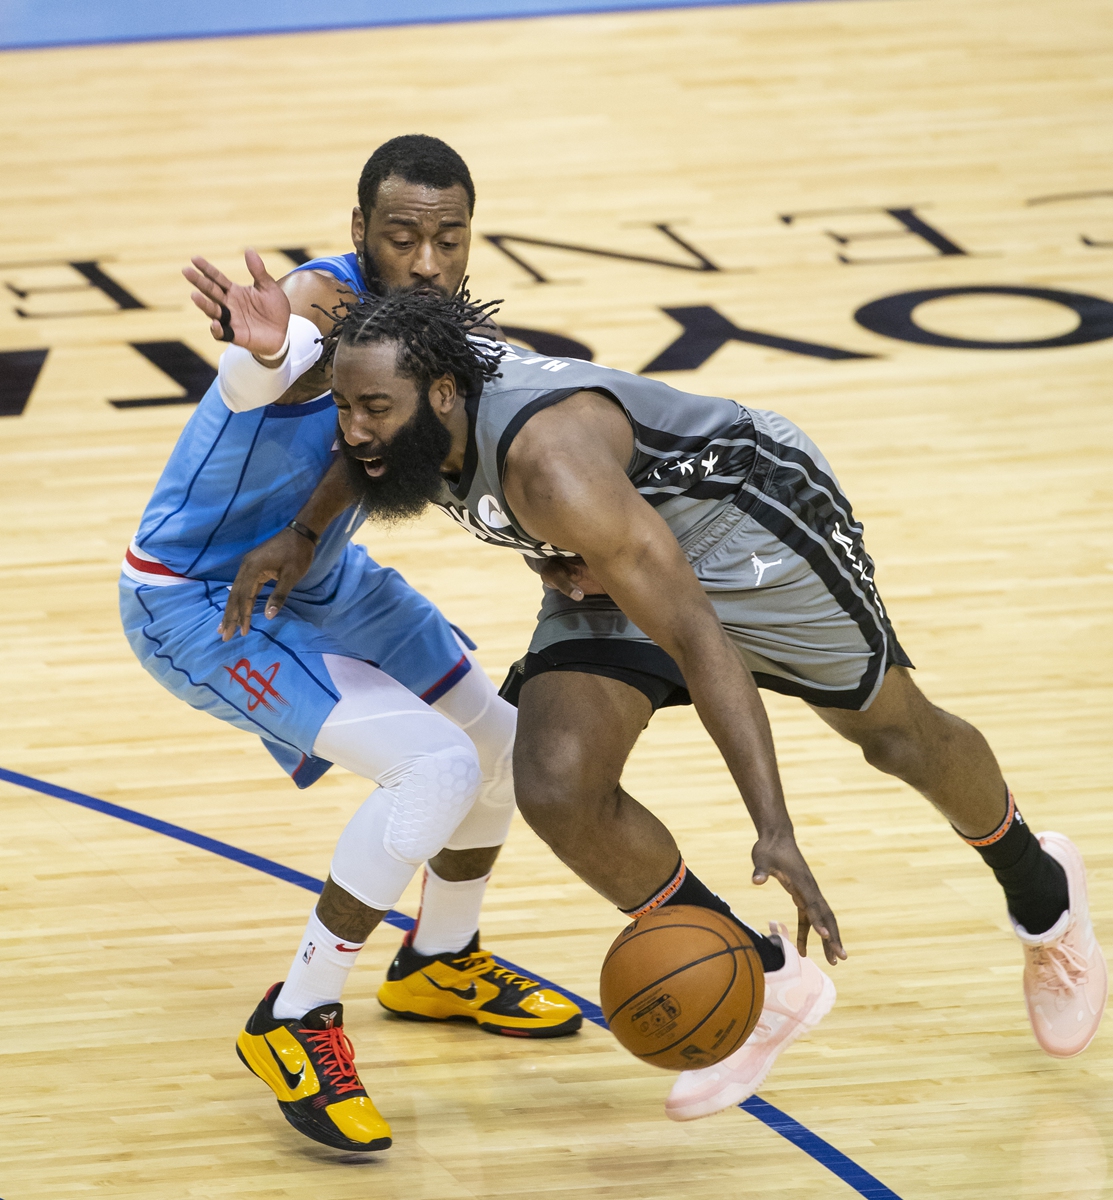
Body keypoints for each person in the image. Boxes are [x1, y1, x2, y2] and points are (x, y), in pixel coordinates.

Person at [228, 286, 1107, 1124]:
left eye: (374, 409)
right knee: (555, 779)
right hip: (612, 545)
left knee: (893, 736)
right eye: (344, 408)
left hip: (749, 527)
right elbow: (367, 448)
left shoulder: (548, 468)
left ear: (445, 395)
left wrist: (773, 828)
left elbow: (699, 638)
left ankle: (1042, 894)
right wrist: (303, 534)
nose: (354, 431)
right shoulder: (410, 400)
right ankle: (765, 979)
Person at [121, 136, 581, 1157]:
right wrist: (263, 349)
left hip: (318, 572)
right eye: (401, 235)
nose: (424, 260)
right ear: (361, 231)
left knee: (504, 749)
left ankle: (439, 962)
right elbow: (275, 372)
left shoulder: (444, 327)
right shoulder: (324, 299)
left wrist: (544, 549)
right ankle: (295, 1017)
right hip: (197, 600)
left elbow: (432, 457)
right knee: (435, 765)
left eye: (447, 239)